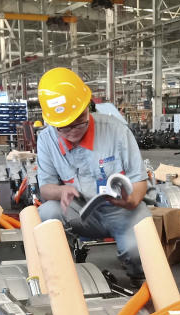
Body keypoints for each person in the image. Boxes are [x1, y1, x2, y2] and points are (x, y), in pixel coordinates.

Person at [35, 67, 150, 280]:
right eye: (64, 128)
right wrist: (61, 191)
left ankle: (139, 277)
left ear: (87, 108)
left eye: (79, 123)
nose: (72, 133)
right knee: (47, 214)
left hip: (123, 211)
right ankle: (65, 277)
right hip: (80, 212)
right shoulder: (46, 139)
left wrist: (130, 200)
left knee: (139, 251)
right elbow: (45, 188)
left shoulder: (116, 130)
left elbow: (140, 181)